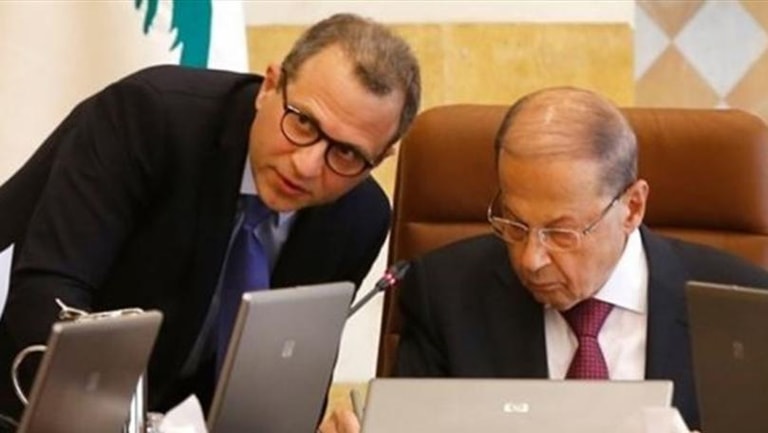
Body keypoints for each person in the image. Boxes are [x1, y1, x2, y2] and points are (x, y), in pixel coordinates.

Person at [0, 13, 420, 420]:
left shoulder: (358, 219)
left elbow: (292, 374)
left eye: (346, 153)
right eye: (304, 123)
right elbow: (46, 295)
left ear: (379, 158)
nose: (307, 166)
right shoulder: (151, 117)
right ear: (269, 86)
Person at [319, 86, 768, 433]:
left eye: (561, 233)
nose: (531, 259)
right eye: (514, 224)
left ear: (632, 207)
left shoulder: (742, 304)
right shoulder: (445, 294)